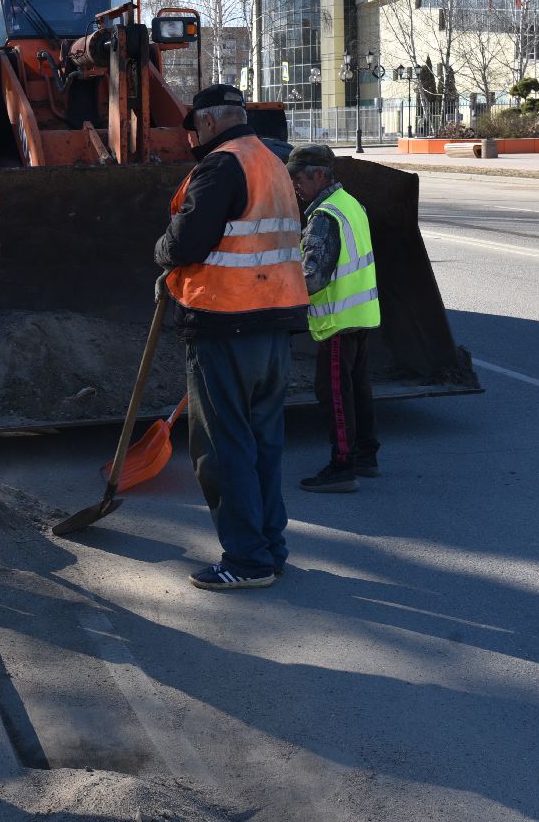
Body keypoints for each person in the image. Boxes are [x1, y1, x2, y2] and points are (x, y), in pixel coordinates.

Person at [155, 84, 307, 590]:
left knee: (223, 448)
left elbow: (187, 242)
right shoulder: (272, 162)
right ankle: (269, 547)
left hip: (226, 323)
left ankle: (246, 560)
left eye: (194, 127)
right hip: (274, 325)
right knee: (264, 442)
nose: (193, 136)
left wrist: (163, 250)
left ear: (210, 121)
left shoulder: (221, 165)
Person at [286, 144, 382, 494]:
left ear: (320, 175)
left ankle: (343, 466)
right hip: (359, 314)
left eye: (299, 177)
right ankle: (366, 456)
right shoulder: (350, 204)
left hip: (338, 320)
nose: (295, 184)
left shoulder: (324, 216)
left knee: (335, 394)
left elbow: (313, 277)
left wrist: (278, 294)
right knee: (358, 389)